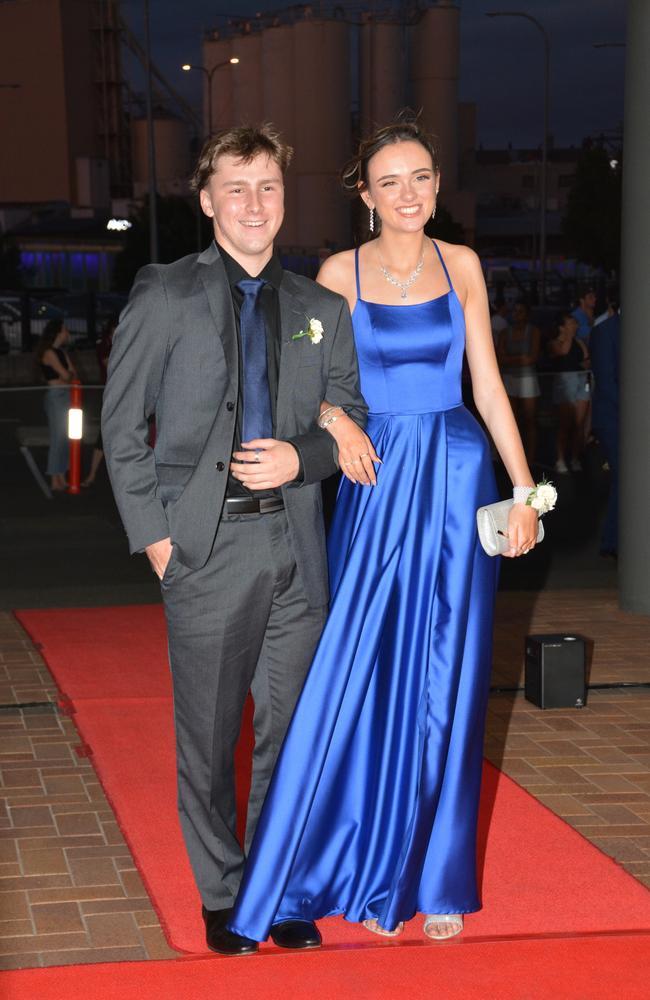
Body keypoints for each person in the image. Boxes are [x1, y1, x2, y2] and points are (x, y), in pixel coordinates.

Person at [228, 117, 539, 947]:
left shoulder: (463, 265)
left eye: (423, 177)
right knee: (359, 665)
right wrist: (337, 416)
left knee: (451, 670)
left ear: (439, 186)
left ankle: (435, 877)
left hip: (458, 472)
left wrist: (523, 492)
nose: (410, 193)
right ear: (364, 195)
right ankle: (337, 859)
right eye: (391, 181)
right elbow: (303, 383)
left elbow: (489, 387)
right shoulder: (337, 273)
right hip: (376, 475)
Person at [101, 124, 368, 957]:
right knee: (211, 741)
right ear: (209, 199)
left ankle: (277, 887)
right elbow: (120, 425)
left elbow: (351, 421)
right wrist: (157, 540)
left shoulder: (323, 310)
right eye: (237, 188)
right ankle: (222, 892)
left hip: (296, 553)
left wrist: (304, 456)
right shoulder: (165, 293)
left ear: (287, 199)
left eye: (270, 188)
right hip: (205, 555)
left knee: (291, 734)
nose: (255, 204)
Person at [589, 304, 620, 556]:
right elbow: (606, 381)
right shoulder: (604, 332)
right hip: (612, 419)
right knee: (624, 477)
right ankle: (612, 541)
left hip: (632, 418)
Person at [496, 300, 541, 465]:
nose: (516, 314)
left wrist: (510, 359)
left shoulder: (533, 331)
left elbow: (533, 357)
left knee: (530, 419)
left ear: (527, 314)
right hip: (509, 378)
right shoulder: (504, 333)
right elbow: (500, 358)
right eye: (514, 311)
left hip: (527, 379)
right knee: (511, 420)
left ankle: (531, 459)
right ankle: (513, 459)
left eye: (521, 311)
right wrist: (521, 359)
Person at [35, 318, 77, 492]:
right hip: (56, 397)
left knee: (66, 437)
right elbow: (68, 376)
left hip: (66, 395)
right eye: (65, 329)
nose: (68, 333)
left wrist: (67, 376)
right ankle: (54, 478)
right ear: (58, 332)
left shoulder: (61, 352)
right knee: (57, 437)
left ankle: (61, 475)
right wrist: (67, 376)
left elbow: (73, 374)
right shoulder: (49, 353)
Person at [546, 310, 590, 474]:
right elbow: (563, 351)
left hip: (581, 380)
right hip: (564, 382)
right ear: (562, 327)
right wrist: (569, 335)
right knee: (565, 424)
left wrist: (586, 363)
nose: (575, 325)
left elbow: (586, 358)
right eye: (571, 322)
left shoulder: (579, 342)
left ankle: (575, 458)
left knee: (579, 423)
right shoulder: (554, 342)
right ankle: (560, 459)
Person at [81, 314, 117, 488]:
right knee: (103, 436)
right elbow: (109, 364)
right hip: (111, 395)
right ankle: (92, 475)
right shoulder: (105, 346)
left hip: (126, 395)